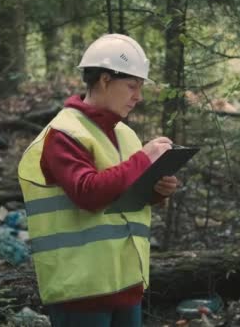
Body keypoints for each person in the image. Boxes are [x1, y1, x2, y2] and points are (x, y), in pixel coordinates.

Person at [18, 33, 178, 327]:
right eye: (132, 86)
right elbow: (88, 193)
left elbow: (122, 194)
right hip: (80, 292)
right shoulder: (64, 133)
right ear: (105, 80)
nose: (138, 96)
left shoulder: (125, 134)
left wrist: (156, 191)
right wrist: (144, 159)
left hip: (126, 284)